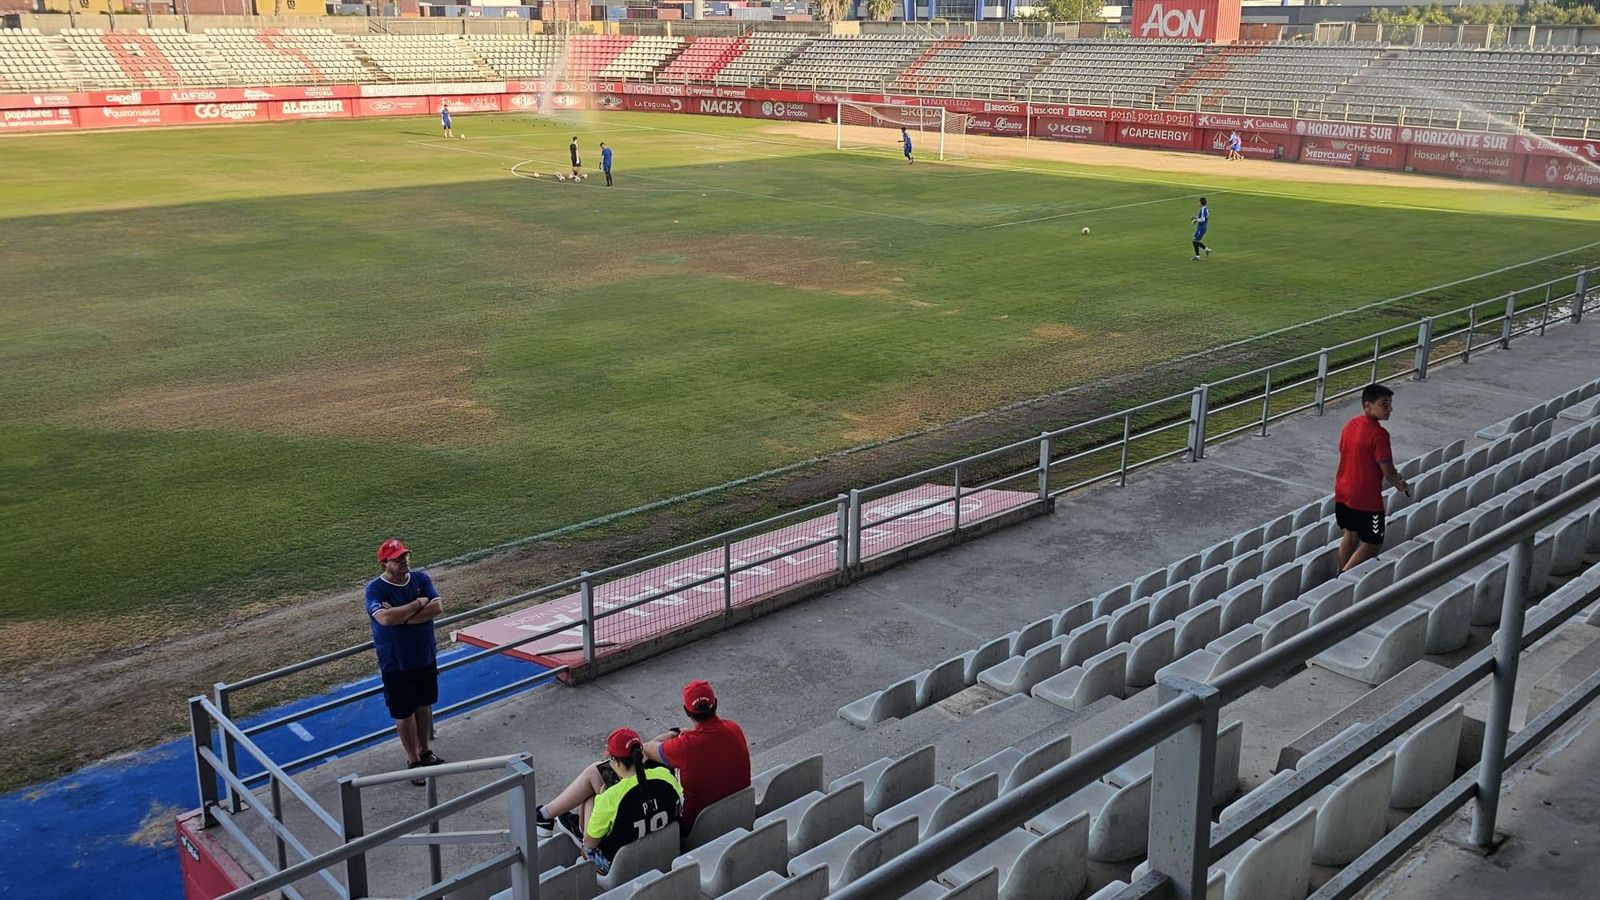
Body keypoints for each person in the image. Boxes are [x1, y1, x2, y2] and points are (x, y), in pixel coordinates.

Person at [537, 728, 683, 876]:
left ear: (615, 762)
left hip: (619, 867)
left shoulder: (610, 797)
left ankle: (571, 825)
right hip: (664, 851)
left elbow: (590, 843)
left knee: (590, 796)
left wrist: (599, 798)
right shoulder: (666, 776)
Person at [365, 539, 446, 785]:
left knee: (423, 705)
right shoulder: (375, 589)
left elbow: (438, 607)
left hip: (424, 656)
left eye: (405, 556)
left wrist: (405, 617)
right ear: (384, 564)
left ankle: (425, 751)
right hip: (395, 662)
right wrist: (418, 603)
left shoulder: (421, 578)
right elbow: (386, 619)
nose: (403, 562)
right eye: (397, 559)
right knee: (403, 712)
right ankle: (413, 761)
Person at [641, 679, 750, 833]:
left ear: (686, 711)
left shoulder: (685, 746)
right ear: (716, 704)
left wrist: (674, 733)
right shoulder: (734, 728)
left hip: (698, 830)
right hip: (740, 815)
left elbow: (647, 749)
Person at [1334, 384, 1412, 572]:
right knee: (1374, 542)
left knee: (1350, 536)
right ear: (1367, 405)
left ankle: (1339, 573)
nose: (1390, 409)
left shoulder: (1349, 425)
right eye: (1384, 404)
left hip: (1342, 494)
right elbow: (1388, 471)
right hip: (1367, 501)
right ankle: (1345, 577)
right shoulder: (1379, 435)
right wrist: (1400, 485)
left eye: (1390, 404)